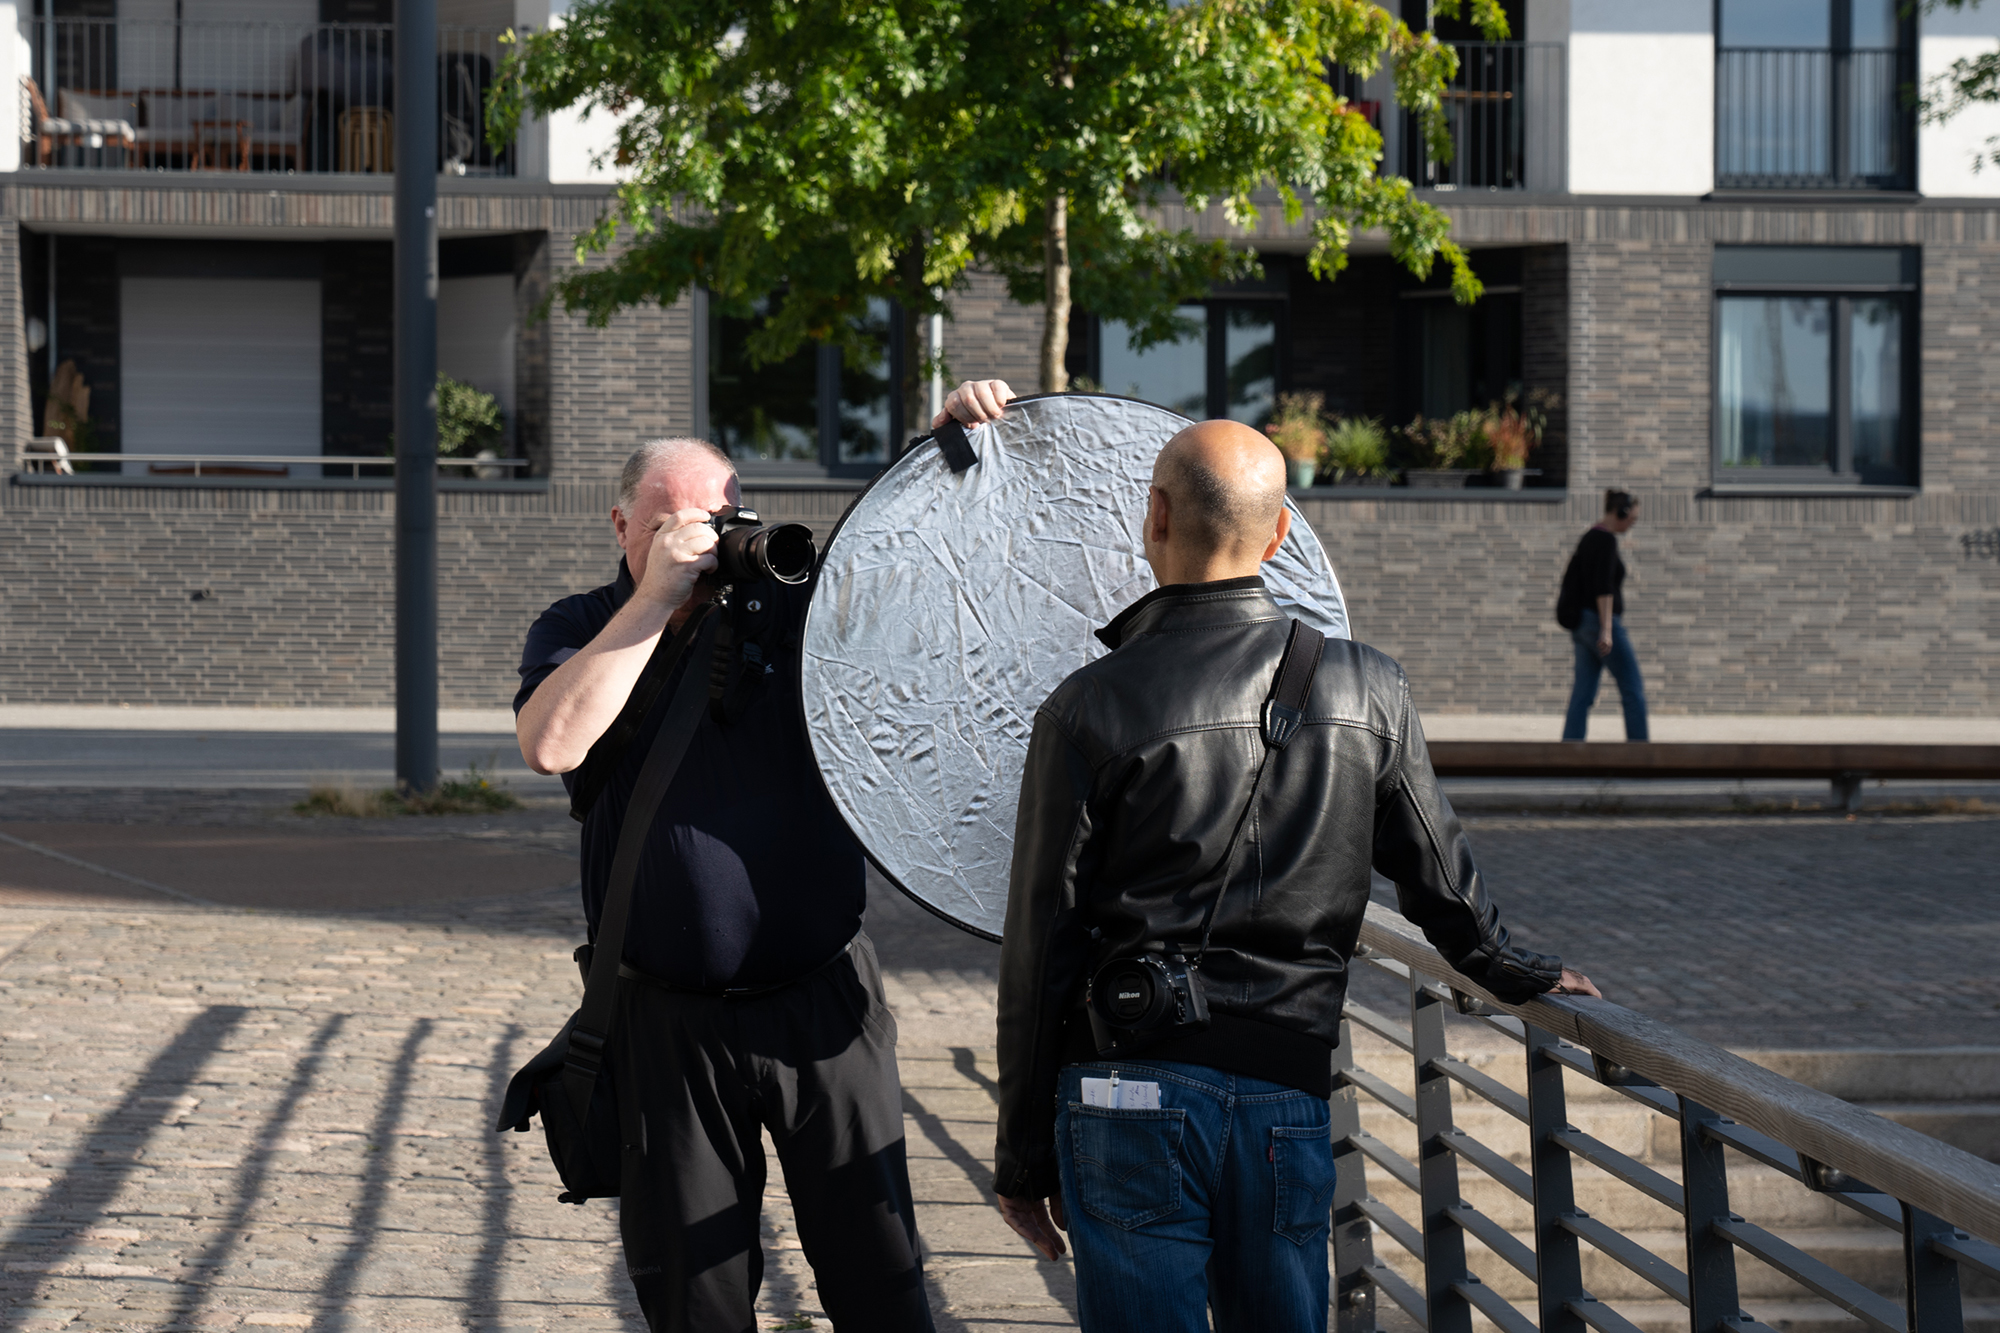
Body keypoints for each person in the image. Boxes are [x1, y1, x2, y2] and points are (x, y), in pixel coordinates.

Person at [979, 405, 1601, 1333]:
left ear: (1154, 516)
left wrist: (1023, 1159)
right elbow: (1442, 884)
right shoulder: (1368, 685)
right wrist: (1520, 971)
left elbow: (1042, 947)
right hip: (1287, 1089)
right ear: (1280, 533)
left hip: (1128, 1088)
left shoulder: (1087, 706)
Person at [513, 434, 939, 1333]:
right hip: (668, 1020)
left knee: (882, 1278)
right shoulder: (581, 623)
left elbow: (925, 585)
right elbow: (553, 744)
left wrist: (948, 449)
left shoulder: (795, 609)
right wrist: (657, 601)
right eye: (675, 523)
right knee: (694, 1299)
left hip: (823, 1003)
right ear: (623, 522)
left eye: (721, 517)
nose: (706, 543)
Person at [1556, 489, 1649, 742]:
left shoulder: (1589, 537)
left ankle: (1569, 752)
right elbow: (1603, 588)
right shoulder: (1606, 540)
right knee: (1633, 689)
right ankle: (1640, 754)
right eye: (1633, 518)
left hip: (1582, 625)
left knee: (1582, 694)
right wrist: (1607, 629)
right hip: (1599, 623)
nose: (1633, 523)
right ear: (1622, 512)